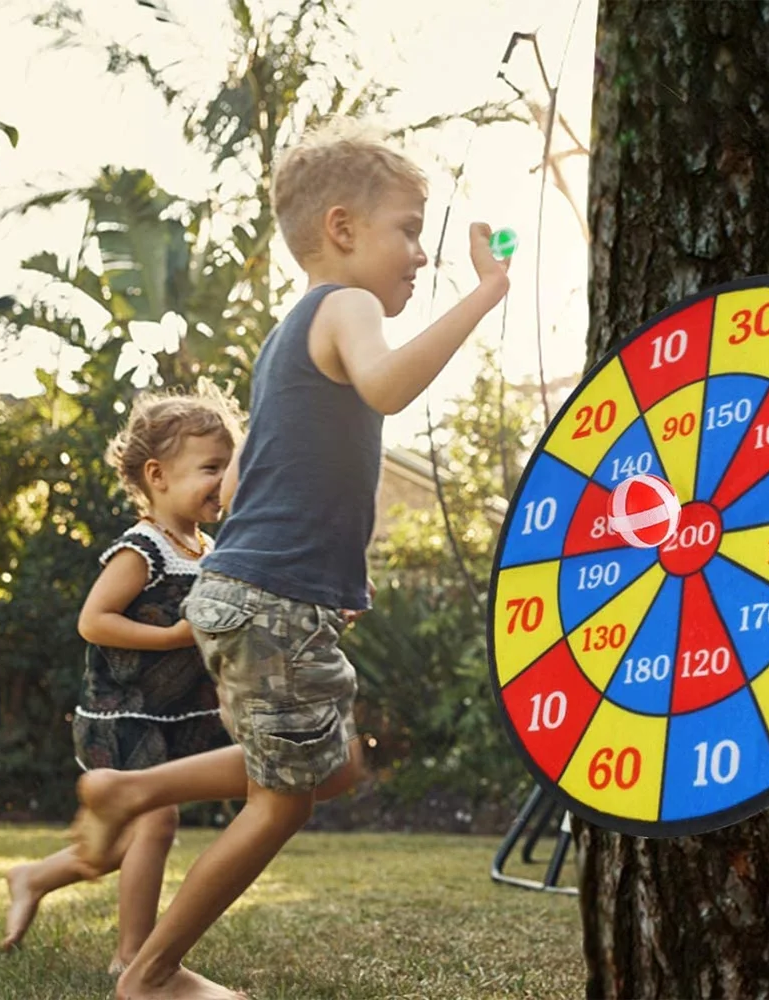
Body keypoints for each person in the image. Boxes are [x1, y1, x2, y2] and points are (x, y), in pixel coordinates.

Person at [69, 118, 511, 1000]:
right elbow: (388, 387)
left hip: (258, 590)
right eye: (408, 230)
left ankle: (130, 791)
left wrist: (327, 569)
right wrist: (487, 292)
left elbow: (256, 480)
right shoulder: (346, 307)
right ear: (342, 229)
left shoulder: (289, 335)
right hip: (268, 597)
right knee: (285, 799)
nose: (420, 253)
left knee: (332, 765)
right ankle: (150, 976)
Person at [2, 385, 240, 978]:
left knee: (121, 842)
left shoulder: (207, 549)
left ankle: (33, 877)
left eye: (230, 467)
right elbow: (94, 621)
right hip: (124, 713)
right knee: (156, 821)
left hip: (178, 715)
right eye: (211, 467)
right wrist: (172, 637)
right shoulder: (142, 549)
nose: (225, 480)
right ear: (157, 475)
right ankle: (132, 955)